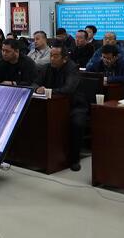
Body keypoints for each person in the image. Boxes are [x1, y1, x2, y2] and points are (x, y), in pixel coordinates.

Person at [32, 43, 86, 171]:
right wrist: (38, 88)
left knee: (77, 123)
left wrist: (48, 90)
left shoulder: (72, 69)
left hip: (74, 105)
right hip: (53, 105)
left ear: (64, 58)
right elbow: (34, 83)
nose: (52, 59)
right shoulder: (47, 68)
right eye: (51, 55)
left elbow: (69, 89)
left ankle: (74, 159)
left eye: (55, 56)